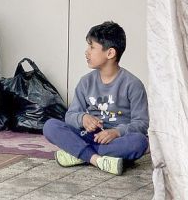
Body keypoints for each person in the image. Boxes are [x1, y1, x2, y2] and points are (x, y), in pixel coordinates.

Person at [42, 21, 149, 175]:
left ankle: (79, 153)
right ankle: (97, 160)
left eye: (92, 47)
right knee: (50, 126)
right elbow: (70, 116)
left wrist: (116, 132)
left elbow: (142, 123)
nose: (87, 52)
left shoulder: (133, 84)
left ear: (110, 53)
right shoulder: (86, 82)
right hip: (88, 137)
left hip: (113, 141)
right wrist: (83, 118)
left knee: (139, 142)